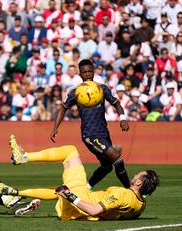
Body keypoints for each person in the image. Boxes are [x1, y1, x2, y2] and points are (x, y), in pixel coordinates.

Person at [8, 135, 159, 220]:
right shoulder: (141, 205)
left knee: (70, 151)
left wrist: (70, 196)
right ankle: (15, 193)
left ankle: (24, 157)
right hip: (80, 208)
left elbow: (94, 211)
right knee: (59, 190)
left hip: (81, 201)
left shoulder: (122, 194)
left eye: (137, 175)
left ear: (138, 182)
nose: (134, 175)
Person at [49, 59, 131, 189]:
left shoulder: (102, 88)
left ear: (93, 72)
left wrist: (123, 118)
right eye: (84, 72)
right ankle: (131, 190)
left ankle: (86, 187)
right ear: (80, 74)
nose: (87, 74)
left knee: (107, 166)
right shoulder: (75, 91)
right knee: (118, 160)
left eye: (89, 71)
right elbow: (63, 108)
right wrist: (55, 128)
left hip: (104, 133)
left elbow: (116, 103)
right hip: (90, 135)